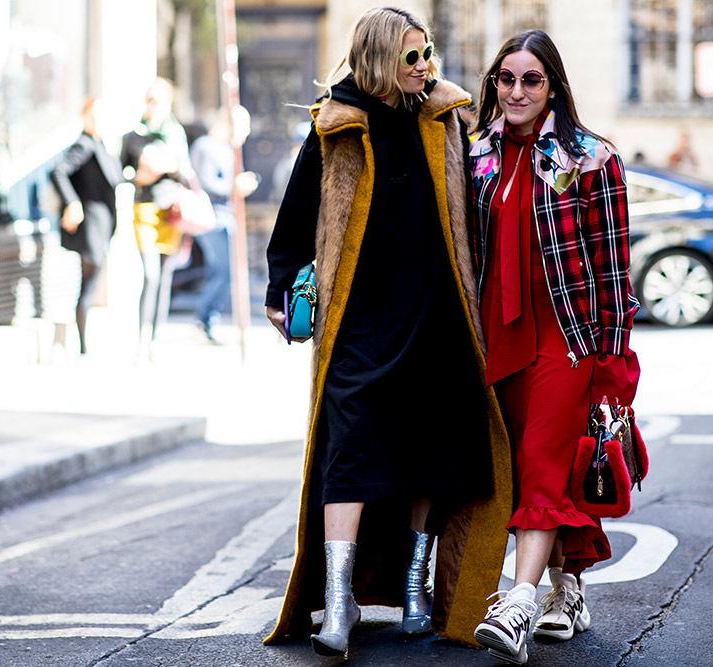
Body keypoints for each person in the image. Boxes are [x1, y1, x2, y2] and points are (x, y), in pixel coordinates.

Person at [262, 6, 512, 657]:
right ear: (376, 59)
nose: (426, 65)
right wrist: (279, 286)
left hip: (438, 312)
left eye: (426, 52)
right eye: (412, 56)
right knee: (347, 451)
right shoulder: (334, 125)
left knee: (431, 448)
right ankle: (338, 597)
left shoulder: (445, 117)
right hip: (360, 321)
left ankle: (413, 581)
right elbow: (294, 223)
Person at [468, 30, 640, 665]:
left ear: (553, 87)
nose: (516, 91)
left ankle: (518, 603)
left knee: (542, 459)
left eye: (530, 80)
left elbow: (615, 268)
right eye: (505, 79)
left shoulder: (591, 158)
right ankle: (569, 588)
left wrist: (615, 363)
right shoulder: (475, 153)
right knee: (538, 468)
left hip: (567, 338)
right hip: (500, 336)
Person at [120, 78, 197, 354]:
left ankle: (155, 340)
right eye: (150, 100)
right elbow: (121, 173)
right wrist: (137, 176)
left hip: (170, 211)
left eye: (160, 101)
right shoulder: (133, 136)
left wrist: (171, 167)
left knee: (164, 276)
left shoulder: (176, 134)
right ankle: (142, 340)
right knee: (150, 275)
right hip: (144, 209)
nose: (154, 106)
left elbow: (189, 176)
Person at [49, 96, 123, 355]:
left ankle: (83, 343)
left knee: (89, 283)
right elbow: (58, 171)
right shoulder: (84, 144)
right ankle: (82, 345)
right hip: (91, 225)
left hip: (102, 225)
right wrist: (72, 203)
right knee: (88, 284)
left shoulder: (102, 145)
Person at [188, 106, 258, 342]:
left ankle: (207, 320)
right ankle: (203, 319)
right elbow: (205, 183)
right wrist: (234, 187)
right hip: (211, 218)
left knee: (225, 270)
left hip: (225, 217)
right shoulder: (205, 147)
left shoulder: (227, 150)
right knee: (223, 269)